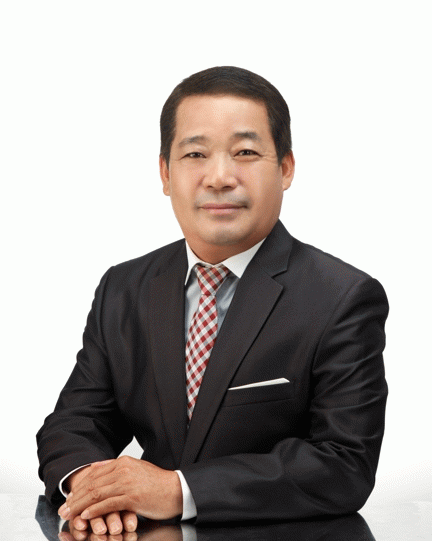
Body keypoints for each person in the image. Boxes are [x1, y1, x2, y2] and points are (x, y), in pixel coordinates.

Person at [37, 66, 389, 536]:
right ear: (165, 173)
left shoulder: (342, 297)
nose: (220, 177)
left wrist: (177, 490)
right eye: (195, 154)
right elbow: (77, 420)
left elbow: (344, 463)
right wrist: (92, 487)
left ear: (286, 168)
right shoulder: (124, 288)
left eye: (245, 152)